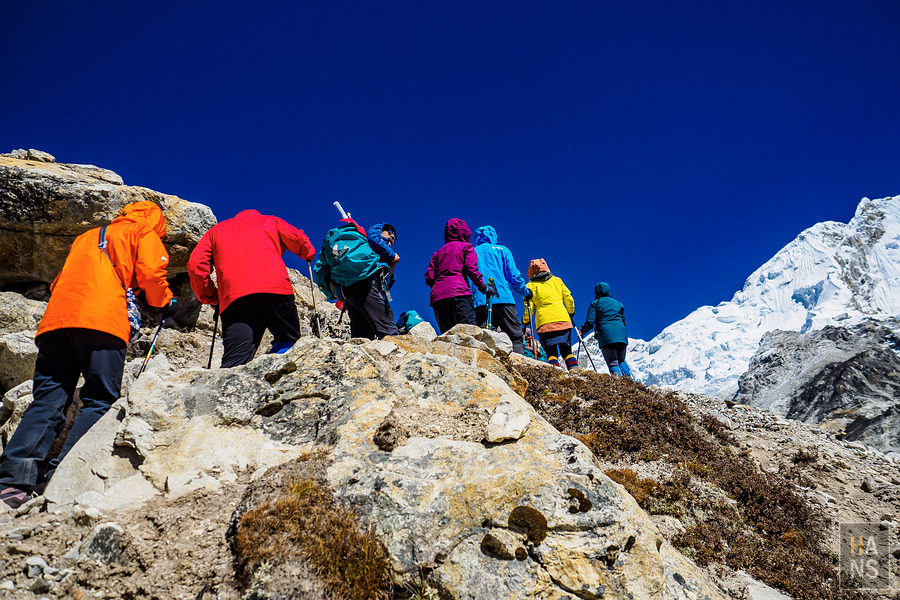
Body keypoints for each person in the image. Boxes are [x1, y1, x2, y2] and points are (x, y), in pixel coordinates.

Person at [0, 201, 176, 508]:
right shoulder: (142, 231)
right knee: (98, 400)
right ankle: (63, 476)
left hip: (57, 321)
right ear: (156, 221)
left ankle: (12, 481)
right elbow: (151, 273)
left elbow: (58, 282)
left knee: (49, 399)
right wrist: (165, 300)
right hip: (102, 322)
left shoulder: (88, 236)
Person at [188, 209, 315, 367]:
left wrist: (212, 297)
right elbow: (299, 239)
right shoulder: (272, 221)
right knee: (288, 341)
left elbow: (195, 266)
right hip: (275, 289)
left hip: (234, 298)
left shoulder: (215, 231)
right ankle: (275, 372)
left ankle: (231, 387)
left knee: (235, 360)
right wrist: (307, 252)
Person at [469, 225, 530, 354]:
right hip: (504, 299)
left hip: (480, 301)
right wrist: (526, 292)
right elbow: (514, 277)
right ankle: (517, 365)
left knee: (483, 335)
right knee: (515, 336)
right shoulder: (503, 250)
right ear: (493, 236)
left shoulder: (471, 252)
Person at [424, 218, 488, 333]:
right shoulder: (466, 247)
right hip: (460, 293)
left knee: (448, 336)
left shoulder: (437, 253)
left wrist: (441, 286)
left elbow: (429, 278)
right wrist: (482, 287)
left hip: (438, 297)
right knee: (468, 335)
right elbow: (471, 269)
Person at [341, 222, 401, 339]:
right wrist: (392, 255)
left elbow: (386, 285)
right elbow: (372, 238)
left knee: (362, 337)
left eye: (395, 236)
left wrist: (392, 263)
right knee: (389, 333)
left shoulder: (379, 255)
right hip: (367, 285)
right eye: (389, 232)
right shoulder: (374, 237)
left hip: (351, 291)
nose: (392, 236)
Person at [521, 259, 578, 370]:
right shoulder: (557, 281)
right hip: (563, 319)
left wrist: (525, 320)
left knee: (551, 353)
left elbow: (529, 307)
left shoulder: (529, 286)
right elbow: (568, 298)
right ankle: (576, 372)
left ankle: (556, 375)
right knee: (567, 351)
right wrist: (571, 311)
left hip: (544, 323)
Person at [581, 281, 632, 377]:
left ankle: (618, 384)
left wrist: (582, 331)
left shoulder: (595, 303)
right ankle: (629, 382)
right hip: (621, 336)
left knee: (613, 362)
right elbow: (623, 321)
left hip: (606, 335)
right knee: (621, 360)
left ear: (597, 293)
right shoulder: (618, 304)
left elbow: (590, 322)